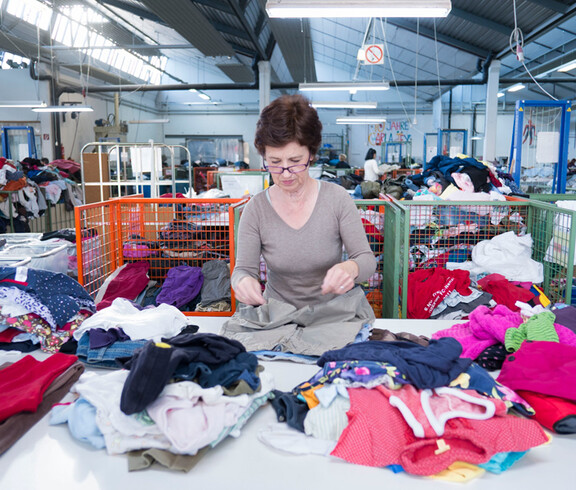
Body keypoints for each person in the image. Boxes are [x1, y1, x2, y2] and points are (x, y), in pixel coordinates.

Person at [231, 94, 377, 310]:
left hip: (332, 313)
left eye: (295, 161)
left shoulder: (337, 199)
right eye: (274, 162)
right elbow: (242, 270)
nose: (286, 173)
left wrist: (351, 267)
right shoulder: (256, 209)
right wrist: (243, 282)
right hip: (278, 315)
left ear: (311, 154)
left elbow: (367, 260)